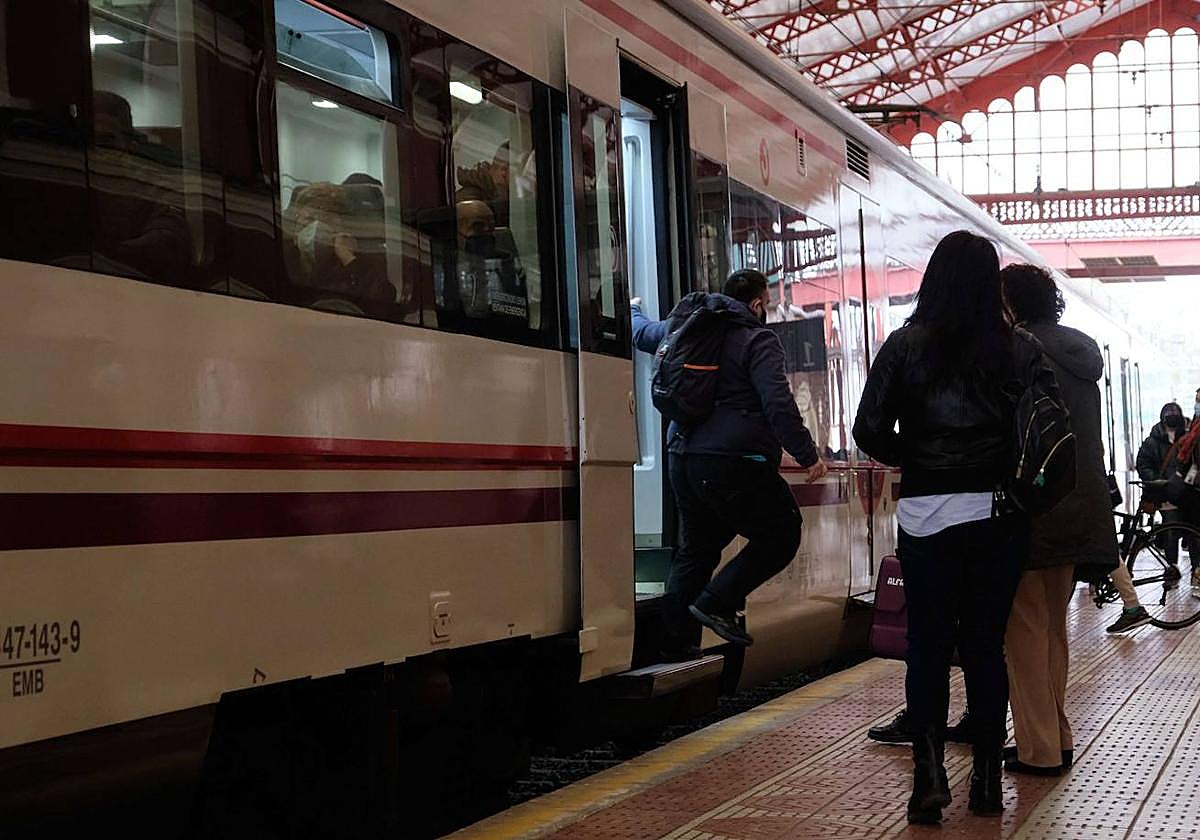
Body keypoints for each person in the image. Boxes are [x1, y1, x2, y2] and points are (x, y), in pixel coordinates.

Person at [853, 231, 1060, 823]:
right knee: (984, 650)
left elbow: (868, 430)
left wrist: (917, 456)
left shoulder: (904, 346)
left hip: (925, 518)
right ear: (989, 284)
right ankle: (989, 783)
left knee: (927, 649)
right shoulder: (1018, 349)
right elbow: (1049, 423)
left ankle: (928, 780)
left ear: (934, 280)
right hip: (998, 515)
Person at [631, 269, 827, 659]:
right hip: (733, 462)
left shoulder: (685, 326)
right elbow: (778, 403)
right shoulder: (757, 338)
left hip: (682, 458)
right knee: (781, 533)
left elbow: (643, 334)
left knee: (698, 550)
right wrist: (808, 456)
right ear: (756, 304)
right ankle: (718, 601)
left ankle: (674, 646)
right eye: (766, 305)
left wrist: (632, 309)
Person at [999, 264, 1119, 776]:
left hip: (1032, 508)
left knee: (1023, 630)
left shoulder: (1016, 349)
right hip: (1078, 505)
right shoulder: (1081, 353)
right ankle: (1058, 735)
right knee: (1052, 629)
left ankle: (1039, 749)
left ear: (1011, 304)